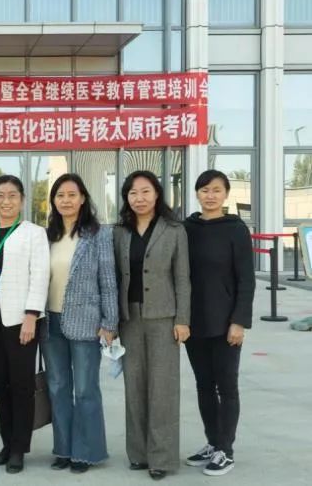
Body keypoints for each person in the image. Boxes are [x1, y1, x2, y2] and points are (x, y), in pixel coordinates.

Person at [113, 170, 191, 481]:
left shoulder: (174, 230)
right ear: (126, 198)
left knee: (163, 389)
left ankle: (162, 458)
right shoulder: (119, 232)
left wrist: (183, 319)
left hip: (164, 318)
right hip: (129, 319)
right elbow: (114, 278)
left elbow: (183, 278)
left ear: (157, 194)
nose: (139, 198)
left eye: (145, 191)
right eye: (133, 193)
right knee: (134, 388)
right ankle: (139, 453)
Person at [41, 173, 118, 473]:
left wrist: (109, 323)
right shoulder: (47, 235)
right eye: (60, 195)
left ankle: (85, 452)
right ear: (53, 201)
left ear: (83, 198)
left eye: (72, 195)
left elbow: (108, 281)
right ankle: (63, 449)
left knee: (85, 389)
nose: (66, 200)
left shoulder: (98, 234)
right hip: (51, 322)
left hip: (86, 322)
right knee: (58, 387)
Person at [0, 174, 50, 474]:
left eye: (12, 195)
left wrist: (32, 315)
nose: (6, 201)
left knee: (21, 386)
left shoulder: (34, 233)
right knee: (2, 386)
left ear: (22, 199)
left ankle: (19, 448)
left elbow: (40, 274)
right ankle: (6, 443)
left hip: (21, 322)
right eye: (0, 195)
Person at [183, 170, 255, 476]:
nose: (210, 195)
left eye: (216, 190)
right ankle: (213, 443)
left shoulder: (236, 230)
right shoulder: (187, 228)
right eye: (204, 190)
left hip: (226, 323)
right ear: (197, 194)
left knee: (227, 387)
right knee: (203, 386)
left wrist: (239, 321)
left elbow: (247, 280)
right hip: (193, 323)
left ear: (225, 194)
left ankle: (226, 449)